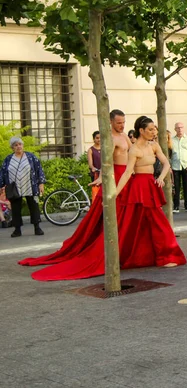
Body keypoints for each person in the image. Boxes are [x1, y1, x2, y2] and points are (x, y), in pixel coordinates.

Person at [19, 109, 132, 279]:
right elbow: (107, 161)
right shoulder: (109, 138)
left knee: (128, 216)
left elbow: (132, 156)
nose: (122, 125)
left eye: (123, 122)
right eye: (118, 122)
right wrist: (102, 178)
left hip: (127, 177)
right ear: (110, 121)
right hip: (115, 178)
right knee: (109, 216)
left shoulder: (124, 136)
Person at [114, 115, 187, 268]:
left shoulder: (154, 145)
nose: (154, 132)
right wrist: (114, 193)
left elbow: (166, 163)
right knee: (138, 224)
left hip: (150, 185)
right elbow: (127, 172)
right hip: (139, 187)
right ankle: (153, 257)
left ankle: (164, 256)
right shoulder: (134, 149)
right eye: (150, 129)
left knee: (156, 223)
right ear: (141, 130)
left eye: (154, 129)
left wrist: (160, 177)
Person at [0, 137, 46, 237]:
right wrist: (2, 186)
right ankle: (17, 230)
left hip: (30, 186)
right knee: (16, 209)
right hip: (14, 188)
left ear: (23, 145)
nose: (18, 146)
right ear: (12, 147)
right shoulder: (8, 159)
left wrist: (41, 183)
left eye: (20, 144)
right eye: (16, 145)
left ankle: (37, 227)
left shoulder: (31, 157)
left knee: (34, 207)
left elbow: (39, 170)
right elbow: (3, 172)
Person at [171, 122, 187, 213]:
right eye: (177, 128)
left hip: (186, 165)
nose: (180, 129)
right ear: (175, 129)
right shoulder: (171, 139)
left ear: (184, 128)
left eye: (181, 127)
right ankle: (176, 206)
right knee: (176, 187)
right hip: (175, 165)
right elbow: (170, 153)